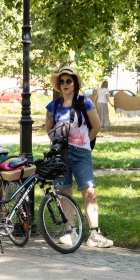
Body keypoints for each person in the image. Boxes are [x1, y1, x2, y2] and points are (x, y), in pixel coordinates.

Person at [45, 66, 113, 248]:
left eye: (69, 80)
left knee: (89, 191)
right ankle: (71, 231)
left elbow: (96, 126)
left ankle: (94, 234)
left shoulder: (85, 103)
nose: (66, 84)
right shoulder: (54, 106)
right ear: (59, 85)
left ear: (75, 83)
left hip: (81, 153)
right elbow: (49, 130)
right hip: (60, 154)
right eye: (62, 81)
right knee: (64, 192)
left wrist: (84, 143)